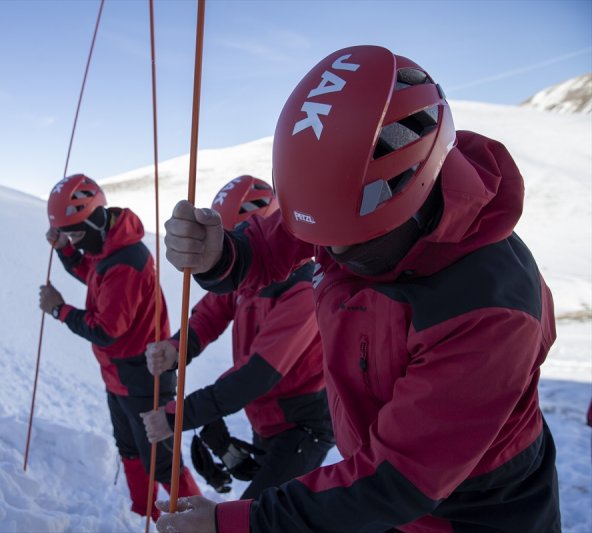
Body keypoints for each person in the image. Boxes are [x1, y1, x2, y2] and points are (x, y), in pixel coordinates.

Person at [156, 45, 560, 532]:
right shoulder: (353, 194)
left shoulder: (489, 308)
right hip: (375, 488)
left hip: (472, 513)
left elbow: (394, 480)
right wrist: (222, 255)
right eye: (322, 237)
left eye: (353, 242)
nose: (329, 254)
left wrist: (237, 524)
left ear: (416, 191)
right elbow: (279, 241)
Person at [140, 175, 335, 499]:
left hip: (303, 427)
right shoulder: (243, 278)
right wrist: (177, 348)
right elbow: (211, 314)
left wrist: (177, 417)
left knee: (257, 518)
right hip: (266, 421)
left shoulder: (302, 291)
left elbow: (256, 375)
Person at [37, 173, 200, 522]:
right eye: (69, 235)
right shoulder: (108, 249)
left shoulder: (126, 260)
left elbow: (107, 329)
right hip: (119, 375)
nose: (75, 243)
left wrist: (58, 309)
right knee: (129, 447)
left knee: (162, 462)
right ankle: (145, 514)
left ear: (97, 219)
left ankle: (199, 524)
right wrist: (65, 248)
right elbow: (93, 275)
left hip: (144, 376)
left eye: (77, 234)